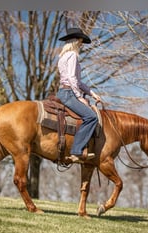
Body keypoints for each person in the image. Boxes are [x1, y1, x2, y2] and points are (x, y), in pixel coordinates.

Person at [56, 27, 102, 163]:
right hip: (69, 93)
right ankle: (77, 151)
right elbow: (71, 78)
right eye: (81, 41)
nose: (81, 44)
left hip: (64, 90)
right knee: (91, 117)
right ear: (76, 41)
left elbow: (77, 80)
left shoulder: (63, 56)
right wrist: (79, 97)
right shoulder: (72, 56)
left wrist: (92, 93)